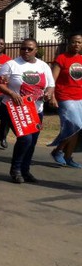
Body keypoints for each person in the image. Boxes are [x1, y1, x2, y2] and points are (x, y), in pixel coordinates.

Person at [0, 38, 54, 183]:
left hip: (36, 109)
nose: (26, 51)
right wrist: (12, 94)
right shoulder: (11, 65)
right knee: (25, 138)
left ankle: (25, 170)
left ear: (36, 50)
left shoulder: (43, 66)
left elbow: (51, 84)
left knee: (32, 141)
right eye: (23, 49)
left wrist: (48, 93)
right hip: (15, 109)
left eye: (29, 49)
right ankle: (15, 170)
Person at [49, 34, 82, 167]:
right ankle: (58, 151)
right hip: (65, 97)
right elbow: (52, 79)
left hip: (79, 97)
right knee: (76, 125)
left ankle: (68, 157)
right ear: (69, 43)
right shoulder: (61, 58)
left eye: (79, 42)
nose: (76, 44)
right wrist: (52, 97)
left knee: (76, 129)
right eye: (74, 42)